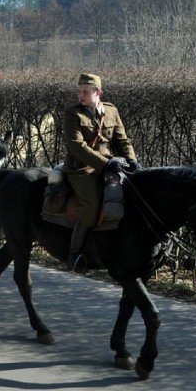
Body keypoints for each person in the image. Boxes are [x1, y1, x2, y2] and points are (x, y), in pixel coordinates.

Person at [62, 73, 141, 272]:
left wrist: (132, 161)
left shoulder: (111, 111)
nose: (81, 95)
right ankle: (75, 254)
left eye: (86, 92)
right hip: (81, 168)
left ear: (98, 92)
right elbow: (77, 146)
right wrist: (106, 164)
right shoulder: (73, 114)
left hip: (112, 164)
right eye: (79, 91)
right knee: (92, 204)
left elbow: (122, 140)